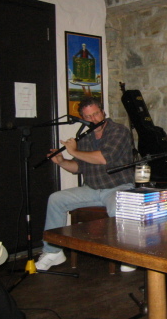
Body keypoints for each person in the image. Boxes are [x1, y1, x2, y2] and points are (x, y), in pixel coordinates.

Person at [36, 97, 136, 272]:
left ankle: (127, 255)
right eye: (88, 117)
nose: (93, 119)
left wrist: (74, 150)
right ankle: (53, 252)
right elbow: (77, 167)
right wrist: (61, 161)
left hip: (118, 187)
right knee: (56, 199)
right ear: (83, 118)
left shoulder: (119, 131)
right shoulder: (86, 136)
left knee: (117, 208)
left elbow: (104, 158)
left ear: (103, 112)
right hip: (91, 189)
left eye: (96, 114)